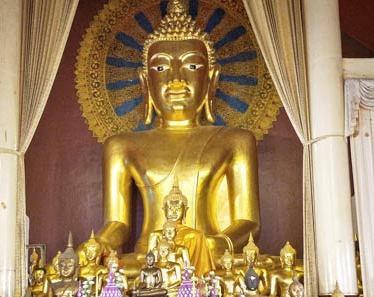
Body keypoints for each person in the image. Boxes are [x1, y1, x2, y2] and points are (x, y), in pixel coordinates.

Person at [87, 0, 261, 275]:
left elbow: (249, 222)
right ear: (145, 82)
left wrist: (215, 244)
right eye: (160, 68)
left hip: (209, 256)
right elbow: (117, 224)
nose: (176, 79)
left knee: (269, 270)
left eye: (192, 66)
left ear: (212, 79)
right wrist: (99, 244)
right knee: (94, 272)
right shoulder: (120, 146)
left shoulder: (236, 140)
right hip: (149, 262)